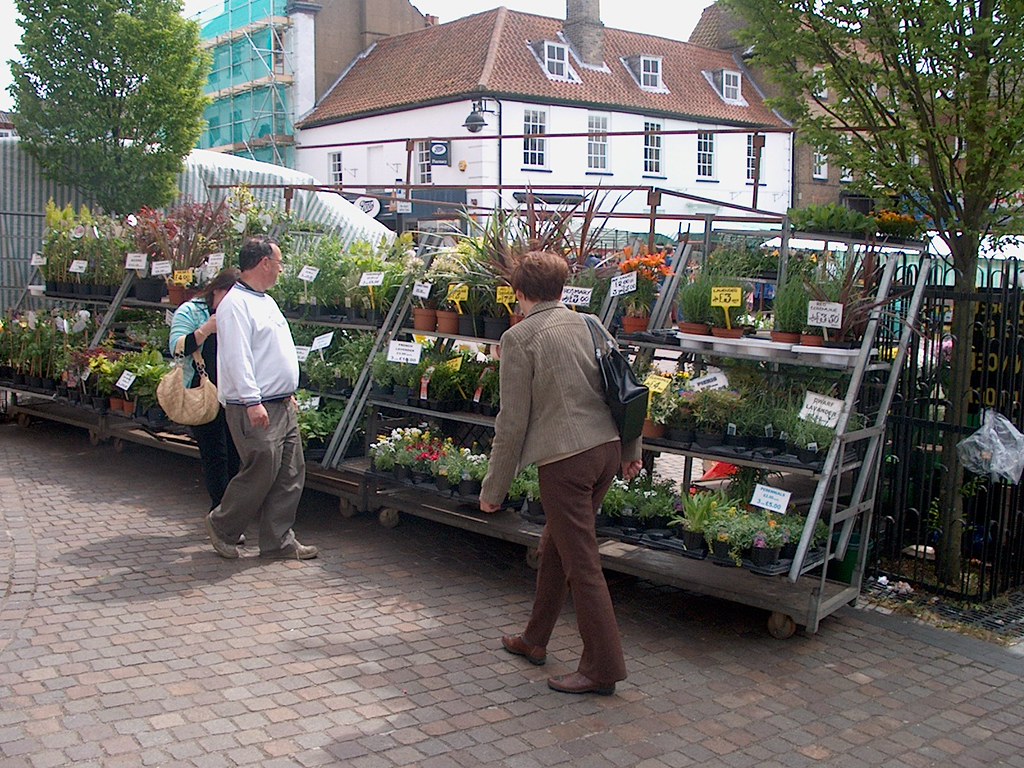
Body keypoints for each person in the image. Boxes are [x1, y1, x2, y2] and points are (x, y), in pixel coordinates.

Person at [479, 250, 642, 696]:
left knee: (582, 563)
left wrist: (494, 489)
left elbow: (512, 422)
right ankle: (535, 638)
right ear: (561, 287)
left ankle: (603, 668)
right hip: (605, 451)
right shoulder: (589, 323)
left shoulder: (519, 338)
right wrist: (631, 449)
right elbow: (625, 388)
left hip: (566, 461)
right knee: (557, 547)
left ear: (519, 292)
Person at [204, 236, 318, 561]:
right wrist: (252, 401)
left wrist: (287, 390)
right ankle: (222, 525)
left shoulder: (265, 300)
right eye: (278, 262)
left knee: (290, 472)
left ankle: (278, 541)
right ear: (264, 263)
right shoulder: (235, 304)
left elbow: (269, 352)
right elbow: (237, 357)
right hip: (254, 405)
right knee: (261, 470)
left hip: (280, 402)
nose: (281, 269)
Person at [168, 268, 242, 516]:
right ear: (217, 291)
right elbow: (177, 348)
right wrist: (205, 330)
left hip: (233, 393)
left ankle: (228, 512)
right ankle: (220, 512)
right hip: (202, 393)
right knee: (215, 454)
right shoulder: (191, 311)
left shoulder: (239, 312)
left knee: (234, 453)